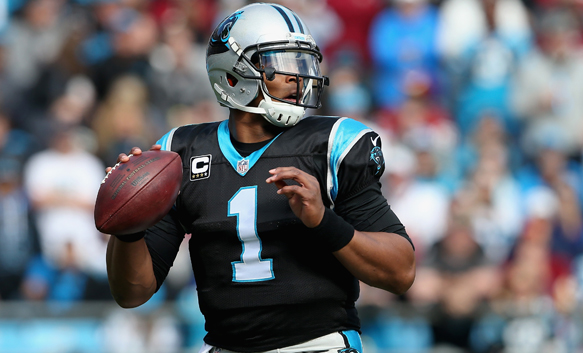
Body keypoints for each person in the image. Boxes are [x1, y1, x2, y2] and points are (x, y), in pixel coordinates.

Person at [105, 3, 416, 353]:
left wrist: (323, 222)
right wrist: (128, 225)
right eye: (282, 64)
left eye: (303, 63)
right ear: (233, 74)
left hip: (320, 346)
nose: (298, 77)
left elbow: (401, 272)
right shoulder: (181, 151)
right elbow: (131, 293)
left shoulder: (333, 144)